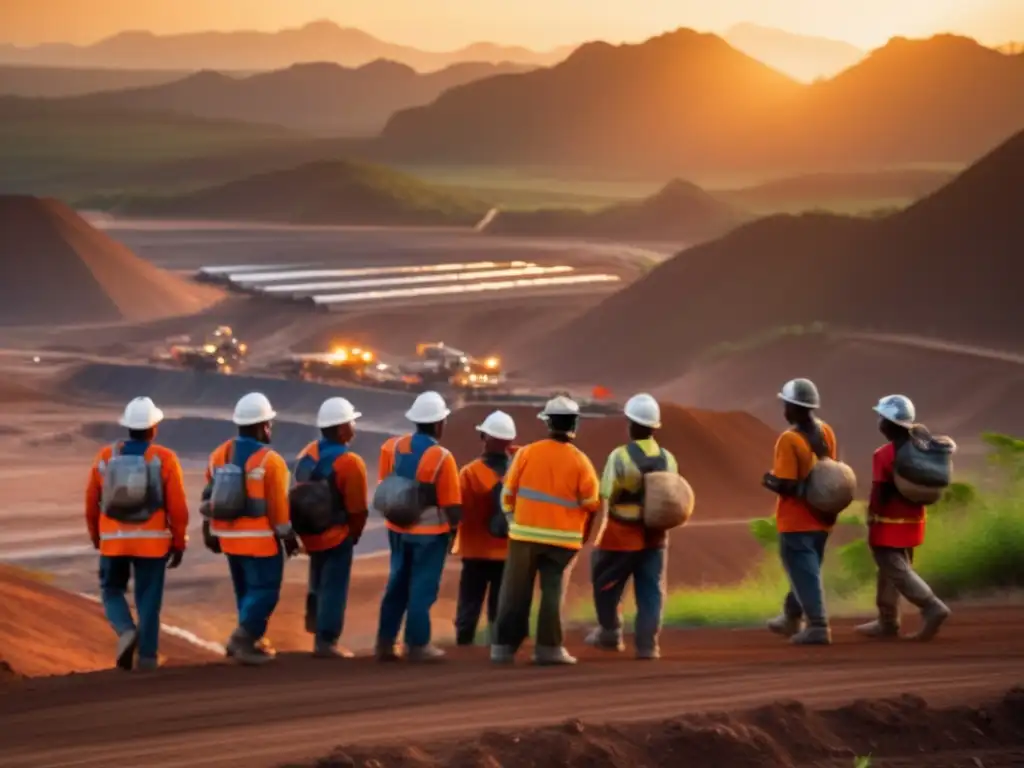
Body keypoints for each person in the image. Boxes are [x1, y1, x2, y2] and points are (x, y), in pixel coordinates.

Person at [492, 395, 601, 665]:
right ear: (574, 424)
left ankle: (503, 647)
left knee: (515, 592)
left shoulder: (527, 453)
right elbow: (591, 504)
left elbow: (507, 494)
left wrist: (512, 522)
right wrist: (582, 537)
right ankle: (548, 648)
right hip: (563, 541)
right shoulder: (581, 462)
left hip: (524, 535)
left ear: (548, 422)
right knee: (553, 593)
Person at [85, 396, 188, 672]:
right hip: (152, 544)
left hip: (114, 542)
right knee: (149, 600)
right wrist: (178, 542)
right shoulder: (164, 459)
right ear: (154, 427)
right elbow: (177, 507)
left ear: (127, 426)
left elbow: (91, 501)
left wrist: (98, 538)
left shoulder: (106, 457)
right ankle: (147, 658)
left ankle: (125, 629)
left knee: (111, 590)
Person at [202, 392, 298, 666]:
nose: (271, 428)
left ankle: (251, 639)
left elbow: (209, 495)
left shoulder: (219, 455)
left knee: (245, 591)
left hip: (229, 539)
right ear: (262, 426)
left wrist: (208, 528)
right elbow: (278, 506)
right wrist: (287, 535)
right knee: (266, 590)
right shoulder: (270, 461)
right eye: (269, 423)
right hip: (259, 541)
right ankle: (243, 640)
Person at [586, 394, 677, 660]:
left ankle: (610, 632)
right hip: (656, 536)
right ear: (654, 427)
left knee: (606, 585)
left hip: (620, 536)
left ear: (631, 424)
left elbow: (606, 493)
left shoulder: (620, 457)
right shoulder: (668, 458)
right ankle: (648, 646)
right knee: (650, 591)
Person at [375, 391, 462, 662]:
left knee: (397, 583)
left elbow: (386, 485)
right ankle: (417, 644)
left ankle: (386, 642)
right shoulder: (442, 457)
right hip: (429, 535)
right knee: (422, 588)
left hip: (397, 529)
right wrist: (454, 532)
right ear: (438, 424)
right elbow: (452, 504)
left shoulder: (391, 447)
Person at [856, 395, 950, 641]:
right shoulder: (921, 448)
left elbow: (880, 490)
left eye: (881, 418)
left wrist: (872, 514)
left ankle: (932, 607)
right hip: (914, 522)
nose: (879, 423)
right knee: (891, 570)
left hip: (889, 524)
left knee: (897, 570)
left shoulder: (884, 454)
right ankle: (887, 621)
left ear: (888, 423)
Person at [761, 378, 838, 646]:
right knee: (806, 569)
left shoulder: (789, 439)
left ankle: (818, 625)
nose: (783, 409)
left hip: (796, 521)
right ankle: (791, 616)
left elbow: (788, 484)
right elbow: (830, 472)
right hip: (822, 517)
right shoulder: (826, 432)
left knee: (803, 570)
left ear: (793, 408)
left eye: (785, 404)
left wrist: (769, 480)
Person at [293, 397, 369, 659]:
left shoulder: (307, 453)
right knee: (334, 587)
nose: (354, 427)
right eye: (351, 423)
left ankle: (316, 633)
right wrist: (354, 533)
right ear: (340, 429)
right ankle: (327, 641)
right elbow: (357, 508)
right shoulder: (350, 462)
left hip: (310, 533)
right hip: (337, 535)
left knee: (316, 582)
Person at [453, 410, 517, 646]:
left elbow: (459, 510)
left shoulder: (469, 473)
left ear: (484, 438)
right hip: (508, 550)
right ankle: (498, 646)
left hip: (474, 550)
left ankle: (464, 641)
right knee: (500, 603)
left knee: (469, 600)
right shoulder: (519, 469)